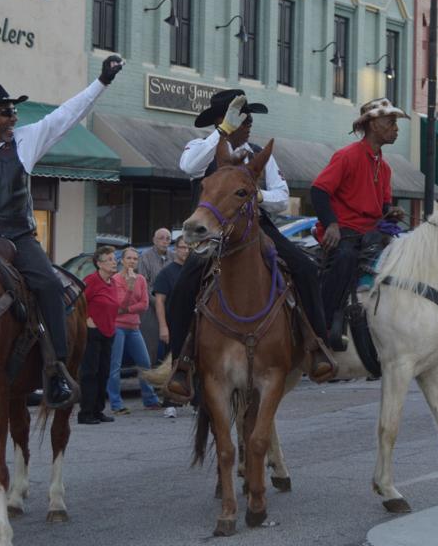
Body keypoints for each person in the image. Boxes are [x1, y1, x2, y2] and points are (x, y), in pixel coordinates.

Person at [0, 55, 124, 408]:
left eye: (14, 112)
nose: (14, 117)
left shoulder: (25, 141)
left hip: (18, 239)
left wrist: (102, 83)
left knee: (50, 285)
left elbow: (65, 116)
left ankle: (56, 372)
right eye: (7, 112)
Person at [164, 89, 334, 400]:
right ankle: (181, 365)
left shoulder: (257, 152)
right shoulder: (199, 146)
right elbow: (188, 166)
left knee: (306, 269)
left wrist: (259, 196)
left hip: (255, 228)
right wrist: (222, 133)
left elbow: (282, 198)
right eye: (244, 116)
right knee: (181, 290)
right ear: (223, 119)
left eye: (249, 117)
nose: (250, 123)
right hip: (212, 232)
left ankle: (316, 344)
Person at [311, 98, 408, 350]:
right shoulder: (346, 156)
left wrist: (391, 211)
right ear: (373, 125)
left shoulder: (384, 168)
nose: (396, 129)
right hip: (344, 230)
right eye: (391, 122)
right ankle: (320, 327)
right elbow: (319, 191)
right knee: (345, 258)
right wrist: (330, 224)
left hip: (371, 231)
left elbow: (383, 205)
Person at [106, 247, 162, 414]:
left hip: (134, 326)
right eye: (129, 258)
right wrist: (129, 288)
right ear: (122, 261)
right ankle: (116, 403)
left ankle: (150, 399)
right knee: (115, 366)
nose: (132, 261)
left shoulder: (141, 280)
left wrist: (127, 308)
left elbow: (144, 305)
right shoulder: (115, 280)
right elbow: (118, 306)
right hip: (118, 326)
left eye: (135, 259)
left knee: (145, 363)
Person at [77, 246, 120, 424]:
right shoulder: (91, 280)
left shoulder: (114, 283)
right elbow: (78, 302)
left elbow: (118, 306)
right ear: (99, 264)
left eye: (114, 258)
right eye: (109, 259)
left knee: (104, 372)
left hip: (109, 332)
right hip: (93, 332)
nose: (114, 261)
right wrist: (87, 319)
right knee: (90, 372)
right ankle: (86, 412)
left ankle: (98, 410)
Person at [153, 236, 191, 418]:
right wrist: (163, 327)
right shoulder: (167, 273)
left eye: (189, 248)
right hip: (173, 325)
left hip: (195, 325)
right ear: (176, 249)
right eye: (183, 247)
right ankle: (169, 402)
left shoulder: (195, 271)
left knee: (197, 363)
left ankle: (197, 401)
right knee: (172, 363)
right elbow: (159, 301)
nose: (186, 251)